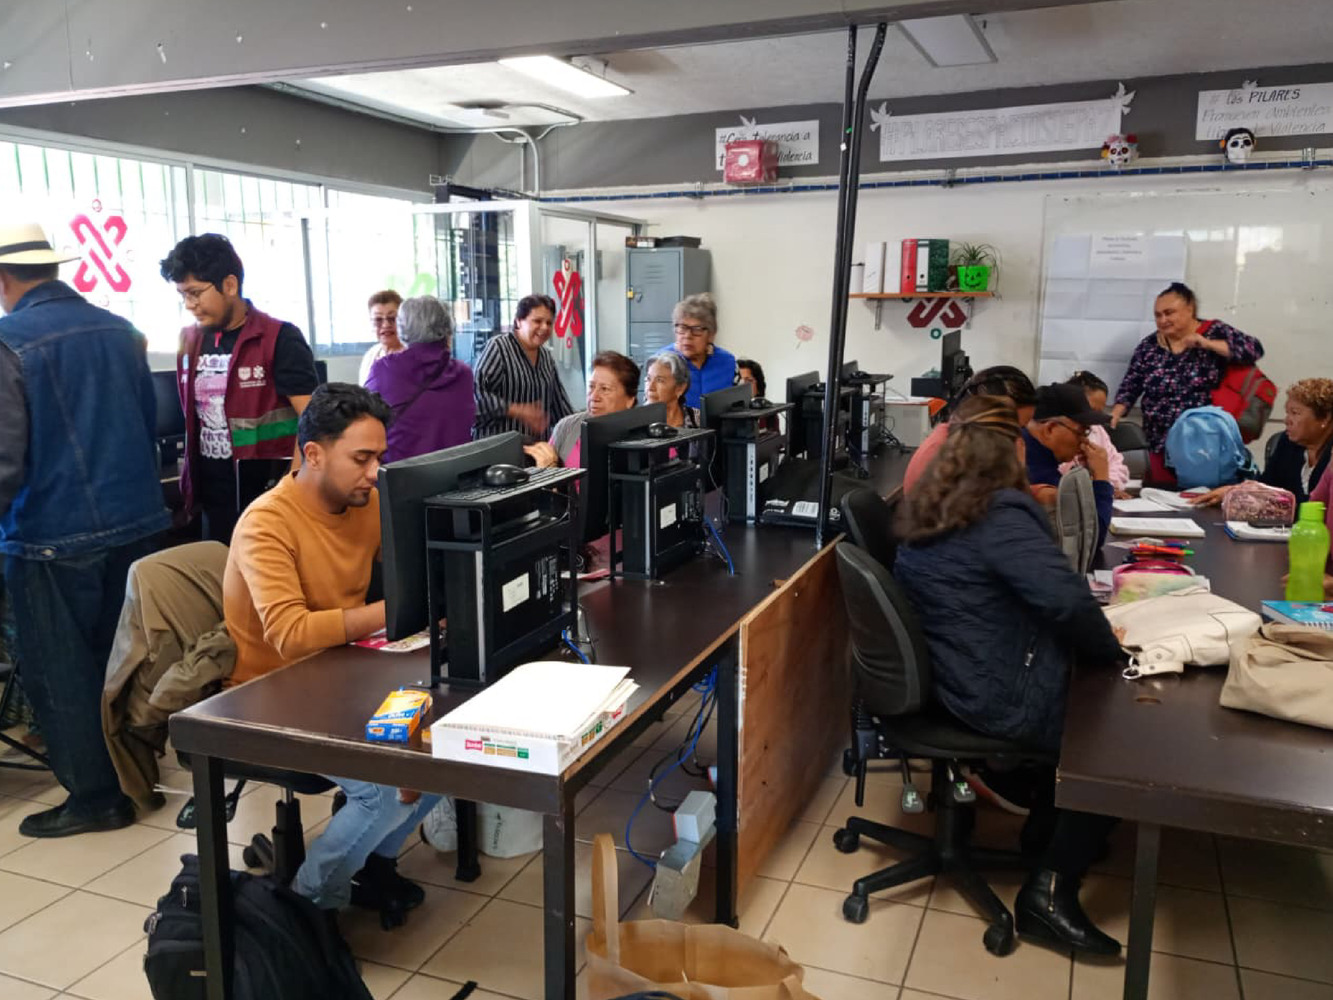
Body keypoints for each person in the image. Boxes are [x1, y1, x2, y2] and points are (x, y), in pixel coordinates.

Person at [894, 395, 1124, 955]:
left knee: (1090, 690)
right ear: (1014, 452)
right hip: (988, 691)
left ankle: (1048, 830)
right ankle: (1050, 894)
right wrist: (1113, 656)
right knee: (1118, 724)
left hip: (953, 676)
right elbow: (1065, 602)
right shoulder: (1000, 512)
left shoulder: (937, 500)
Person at [224, 383, 437, 926]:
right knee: (383, 791)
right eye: (361, 459)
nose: (374, 472)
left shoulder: (363, 503)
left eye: (379, 458)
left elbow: (414, 568)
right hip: (270, 694)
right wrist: (397, 610)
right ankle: (306, 905)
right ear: (314, 455)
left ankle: (369, 864)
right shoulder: (267, 523)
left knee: (450, 757)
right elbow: (290, 634)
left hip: (341, 676)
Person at [0, 221, 169, 838]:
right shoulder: (121, 331)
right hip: (137, 524)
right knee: (121, 662)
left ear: (4, 278)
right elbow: (148, 424)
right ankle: (135, 775)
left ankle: (96, 798)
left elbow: (3, 461)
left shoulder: (8, 342)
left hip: (51, 534)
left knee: (61, 671)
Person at [161, 234, 320, 545]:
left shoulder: (279, 338)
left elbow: (314, 421)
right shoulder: (189, 340)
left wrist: (292, 491)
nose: (190, 305)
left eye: (195, 293)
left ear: (230, 285)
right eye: (183, 295)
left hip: (267, 496)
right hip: (211, 499)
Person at [1110, 282, 1264, 485]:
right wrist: (1115, 415)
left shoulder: (1214, 331)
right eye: (1158, 315)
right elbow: (1131, 384)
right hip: (1159, 441)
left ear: (1189, 309)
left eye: (1169, 313)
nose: (1163, 320)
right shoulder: (1149, 346)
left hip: (1205, 443)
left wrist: (1207, 344)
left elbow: (1254, 349)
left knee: (1200, 497)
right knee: (1161, 496)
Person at [366, 295, 476, 462]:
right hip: (455, 472)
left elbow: (364, 419)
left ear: (402, 329)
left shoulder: (384, 370)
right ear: (448, 328)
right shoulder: (464, 374)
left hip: (399, 473)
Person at [1193, 378, 1333, 507]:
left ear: (1325, 418)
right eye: (1287, 413)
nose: (1287, 420)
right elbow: (1265, 487)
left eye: (1295, 413)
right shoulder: (1288, 443)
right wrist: (1236, 493)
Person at [902, 366, 1037, 495]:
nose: (1018, 439)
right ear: (986, 416)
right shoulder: (943, 454)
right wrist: (1019, 473)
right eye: (1013, 429)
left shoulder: (971, 448)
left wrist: (1037, 492)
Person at [473, 293, 575, 442]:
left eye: (549, 323)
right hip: (497, 449)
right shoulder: (499, 348)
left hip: (536, 451)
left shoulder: (546, 358)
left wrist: (579, 426)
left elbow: (560, 406)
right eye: (537, 321)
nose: (544, 327)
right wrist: (516, 410)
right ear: (518, 321)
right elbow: (475, 397)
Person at [1025, 383, 1115, 545]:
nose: (1084, 441)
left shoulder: (1030, 450)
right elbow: (1089, 539)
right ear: (1050, 429)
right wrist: (1101, 478)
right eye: (1081, 432)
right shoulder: (1036, 472)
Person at [526, 351, 640, 468]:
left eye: (605, 389)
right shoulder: (567, 426)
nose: (594, 396)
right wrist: (549, 468)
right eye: (591, 387)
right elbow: (547, 470)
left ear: (630, 399)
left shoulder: (641, 438)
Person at [1058, 371, 1131, 495]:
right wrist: (1096, 482)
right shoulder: (1056, 431)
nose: (1092, 419)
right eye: (1089, 411)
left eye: (1098, 413)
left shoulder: (1097, 430)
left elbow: (1119, 467)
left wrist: (1108, 484)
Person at [670, 293, 738, 409]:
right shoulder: (662, 364)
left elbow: (739, 406)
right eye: (682, 328)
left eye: (697, 329)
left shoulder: (728, 362)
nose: (687, 336)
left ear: (711, 334)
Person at [357, 290, 404, 386]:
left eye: (392, 318)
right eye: (378, 320)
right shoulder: (371, 356)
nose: (386, 325)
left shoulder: (414, 355)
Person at [643, 350, 699, 429]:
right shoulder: (634, 422)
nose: (650, 387)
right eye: (648, 379)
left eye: (659, 380)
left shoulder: (697, 418)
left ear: (680, 388)